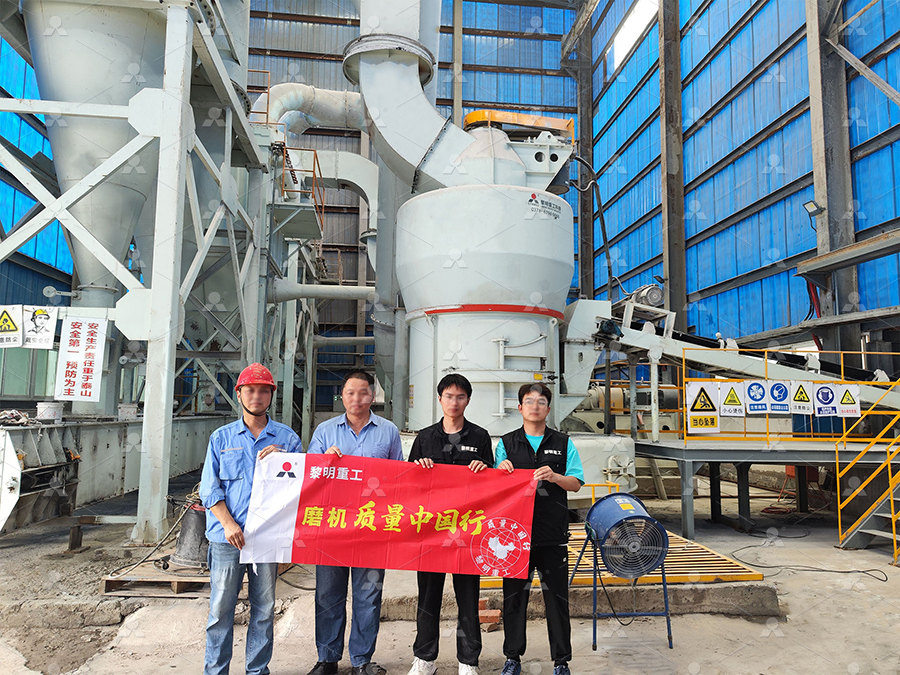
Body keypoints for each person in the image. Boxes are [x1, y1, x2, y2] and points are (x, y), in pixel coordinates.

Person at [199, 363, 302, 675]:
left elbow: (301, 489)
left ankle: (257, 670)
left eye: (263, 391)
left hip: (266, 539)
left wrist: (284, 462)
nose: (257, 396)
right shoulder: (221, 438)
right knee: (221, 609)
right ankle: (216, 671)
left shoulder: (287, 439)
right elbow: (209, 488)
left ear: (271, 395)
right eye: (250, 390)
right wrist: (228, 523)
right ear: (239, 394)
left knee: (264, 609)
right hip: (227, 539)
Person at [306, 370, 403, 675]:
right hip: (332, 526)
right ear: (342, 396)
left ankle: (362, 660)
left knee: (368, 596)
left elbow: (400, 479)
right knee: (328, 595)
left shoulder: (388, 431)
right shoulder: (325, 431)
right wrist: (324, 460)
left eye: (363, 392)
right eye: (350, 392)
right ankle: (327, 659)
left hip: (372, 527)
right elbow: (308, 474)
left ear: (372, 396)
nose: (356, 398)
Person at [406, 373, 494, 675]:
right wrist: (419, 468)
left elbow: (492, 484)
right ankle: (424, 658)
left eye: (460, 397)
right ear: (439, 399)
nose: (454, 402)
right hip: (431, 531)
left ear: (467, 400)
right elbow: (409, 483)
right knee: (428, 597)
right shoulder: (425, 437)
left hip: (467, 532)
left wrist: (484, 468)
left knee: (468, 598)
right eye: (448, 396)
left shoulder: (480, 437)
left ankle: (468, 661)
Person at [495, 383, 584, 675]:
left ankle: (561, 661)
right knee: (514, 600)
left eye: (541, 401)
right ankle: (512, 658)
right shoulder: (506, 444)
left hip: (552, 535)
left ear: (548, 408)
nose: (535, 406)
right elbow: (494, 485)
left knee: (557, 601)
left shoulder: (563, 443)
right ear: (520, 407)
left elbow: (576, 483)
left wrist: (556, 476)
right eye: (529, 401)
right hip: (514, 538)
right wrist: (501, 471)